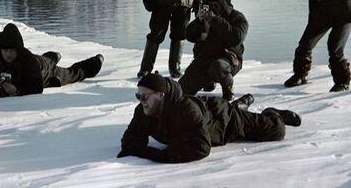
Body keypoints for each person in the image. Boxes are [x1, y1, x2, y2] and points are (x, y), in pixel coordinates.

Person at [117, 73, 301, 163]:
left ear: (161, 95)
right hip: (204, 113)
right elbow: (131, 139)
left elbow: (200, 148)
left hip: (225, 120)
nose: (141, 101)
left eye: (145, 96)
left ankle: (274, 112)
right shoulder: (143, 110)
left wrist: (149, 153)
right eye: (138, 96)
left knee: (276, 130)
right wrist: (134, 147)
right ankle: (241, 104)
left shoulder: (185, 110)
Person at [0, 23, 104, 97]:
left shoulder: (27, 60)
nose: (8, 54)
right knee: (44, 59)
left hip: (44, 70)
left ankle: (95, 63)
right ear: (0, 49)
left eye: (12, 50)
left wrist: (17, 90)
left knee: (70, 74)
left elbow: (36, 87)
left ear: (18, 50)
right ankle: (52, 56)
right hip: (38, 61)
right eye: (5, 50)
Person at [178, 0, 248, 100]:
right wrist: (198, 21)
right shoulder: (205, 19)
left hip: (228, 60)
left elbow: (236, 38)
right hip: (205, 59)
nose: (212, 8)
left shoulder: (237, 18)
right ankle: (208, 81)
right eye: (209, 5)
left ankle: (228, 89)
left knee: (218, 66)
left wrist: (216, 20)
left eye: (215, 5)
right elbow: (189, 36)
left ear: (223, 4)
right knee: (181, 90)